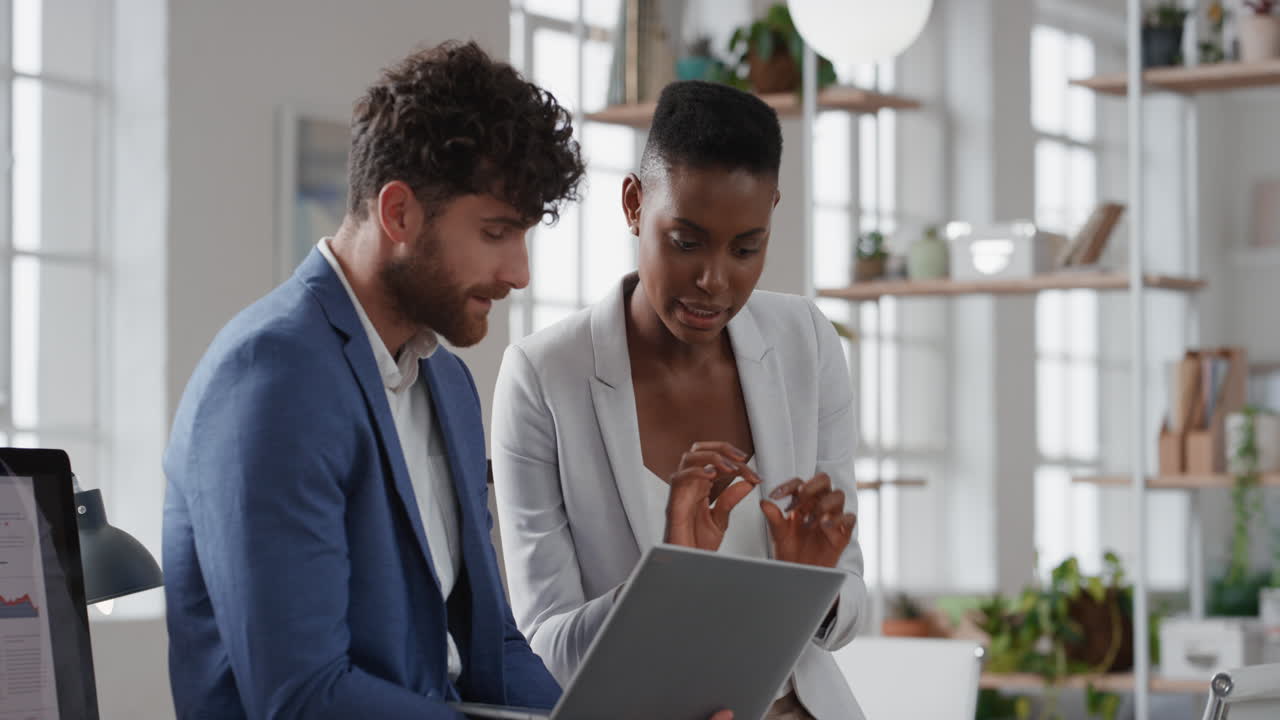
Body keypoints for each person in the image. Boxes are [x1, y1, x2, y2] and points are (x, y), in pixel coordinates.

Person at [161, 41, 583, 719]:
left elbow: (493, 648)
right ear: (399, 214)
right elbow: (302, 698)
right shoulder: (270, 380)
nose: (518, 272)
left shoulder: (447, 382)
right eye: (496, 232)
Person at [491, 80, 868, 720]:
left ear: (773, 212)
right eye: (686, 241)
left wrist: (813, 588)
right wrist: (669, 582)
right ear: (635, 203)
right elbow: (547, 643)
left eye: (747, 247)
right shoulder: (543, 376)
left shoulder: (805, 340)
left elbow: (852, 598)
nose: (714, 281)